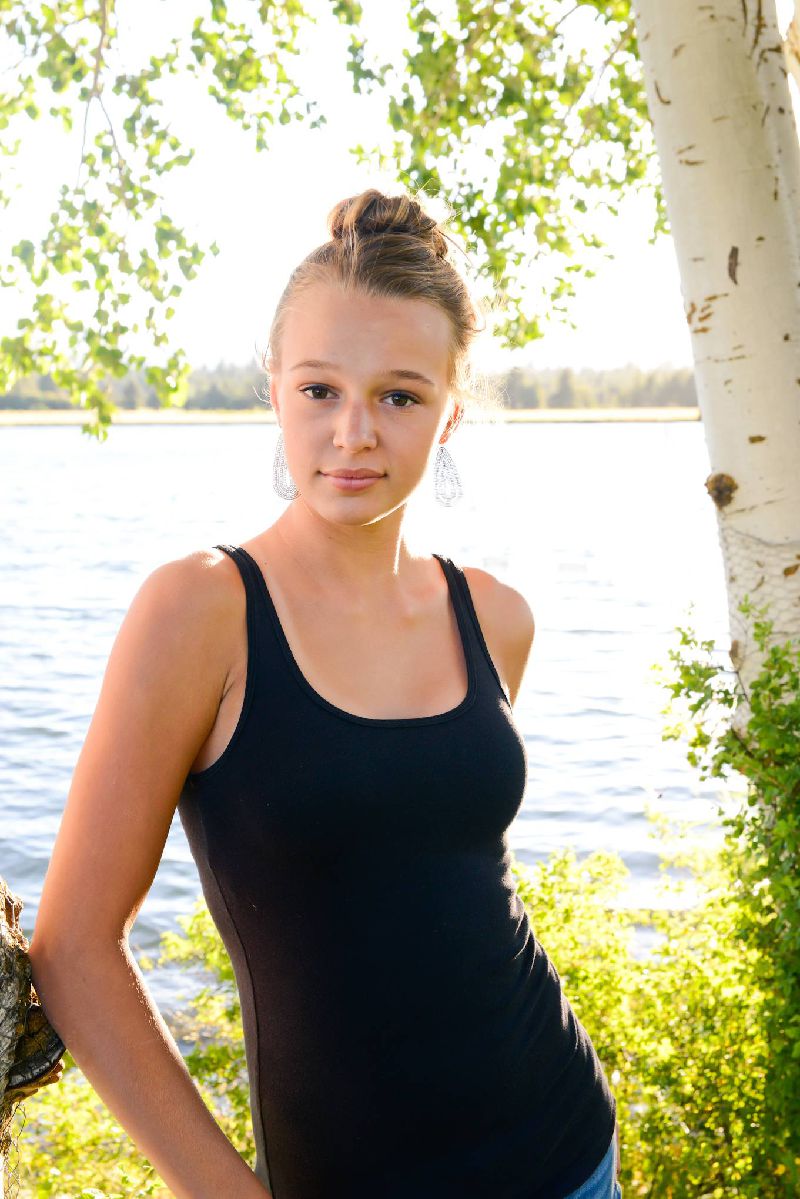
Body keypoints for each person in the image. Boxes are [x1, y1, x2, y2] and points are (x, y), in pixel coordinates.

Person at [27, 187, 622, 1199]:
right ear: (274, 390)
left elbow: (444, 877)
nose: (353, 433)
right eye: (319, 389)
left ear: (450, 411)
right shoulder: (200, 611)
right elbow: (74, 945)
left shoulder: (493, 614)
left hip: (568, 1150)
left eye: (399, 396)